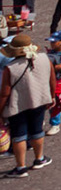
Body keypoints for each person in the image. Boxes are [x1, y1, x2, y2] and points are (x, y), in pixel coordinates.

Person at [2, 33, 54, 177]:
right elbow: (52, 79)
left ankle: (21, 167)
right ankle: (39, 159)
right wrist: (52, 96)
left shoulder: (10, 68)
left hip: (17, 106)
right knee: (37, 131)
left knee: (19, 136)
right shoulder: (44, 58)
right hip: (39, 101)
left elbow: (5, 93)